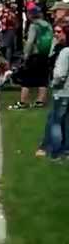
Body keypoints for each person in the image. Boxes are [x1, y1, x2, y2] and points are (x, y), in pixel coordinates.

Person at [8, 7, 53, 109]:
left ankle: (23, 102)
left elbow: (30, 42)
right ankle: (40, 101)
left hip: (34, 55)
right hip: (45, 55)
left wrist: (25, 55)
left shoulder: (34, 26)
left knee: (26, 79)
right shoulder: (48, 25)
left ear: (30, 15)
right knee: (43, 79)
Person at [36, 24, 69, 158]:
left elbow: (60, 75)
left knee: (56, 121)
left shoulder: (65, 52)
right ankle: (66, 149)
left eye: (59, 32)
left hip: (62, 92)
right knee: (66, 121)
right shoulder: (60, 48)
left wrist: (53, 83)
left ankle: (55, 151)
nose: (56, 34)